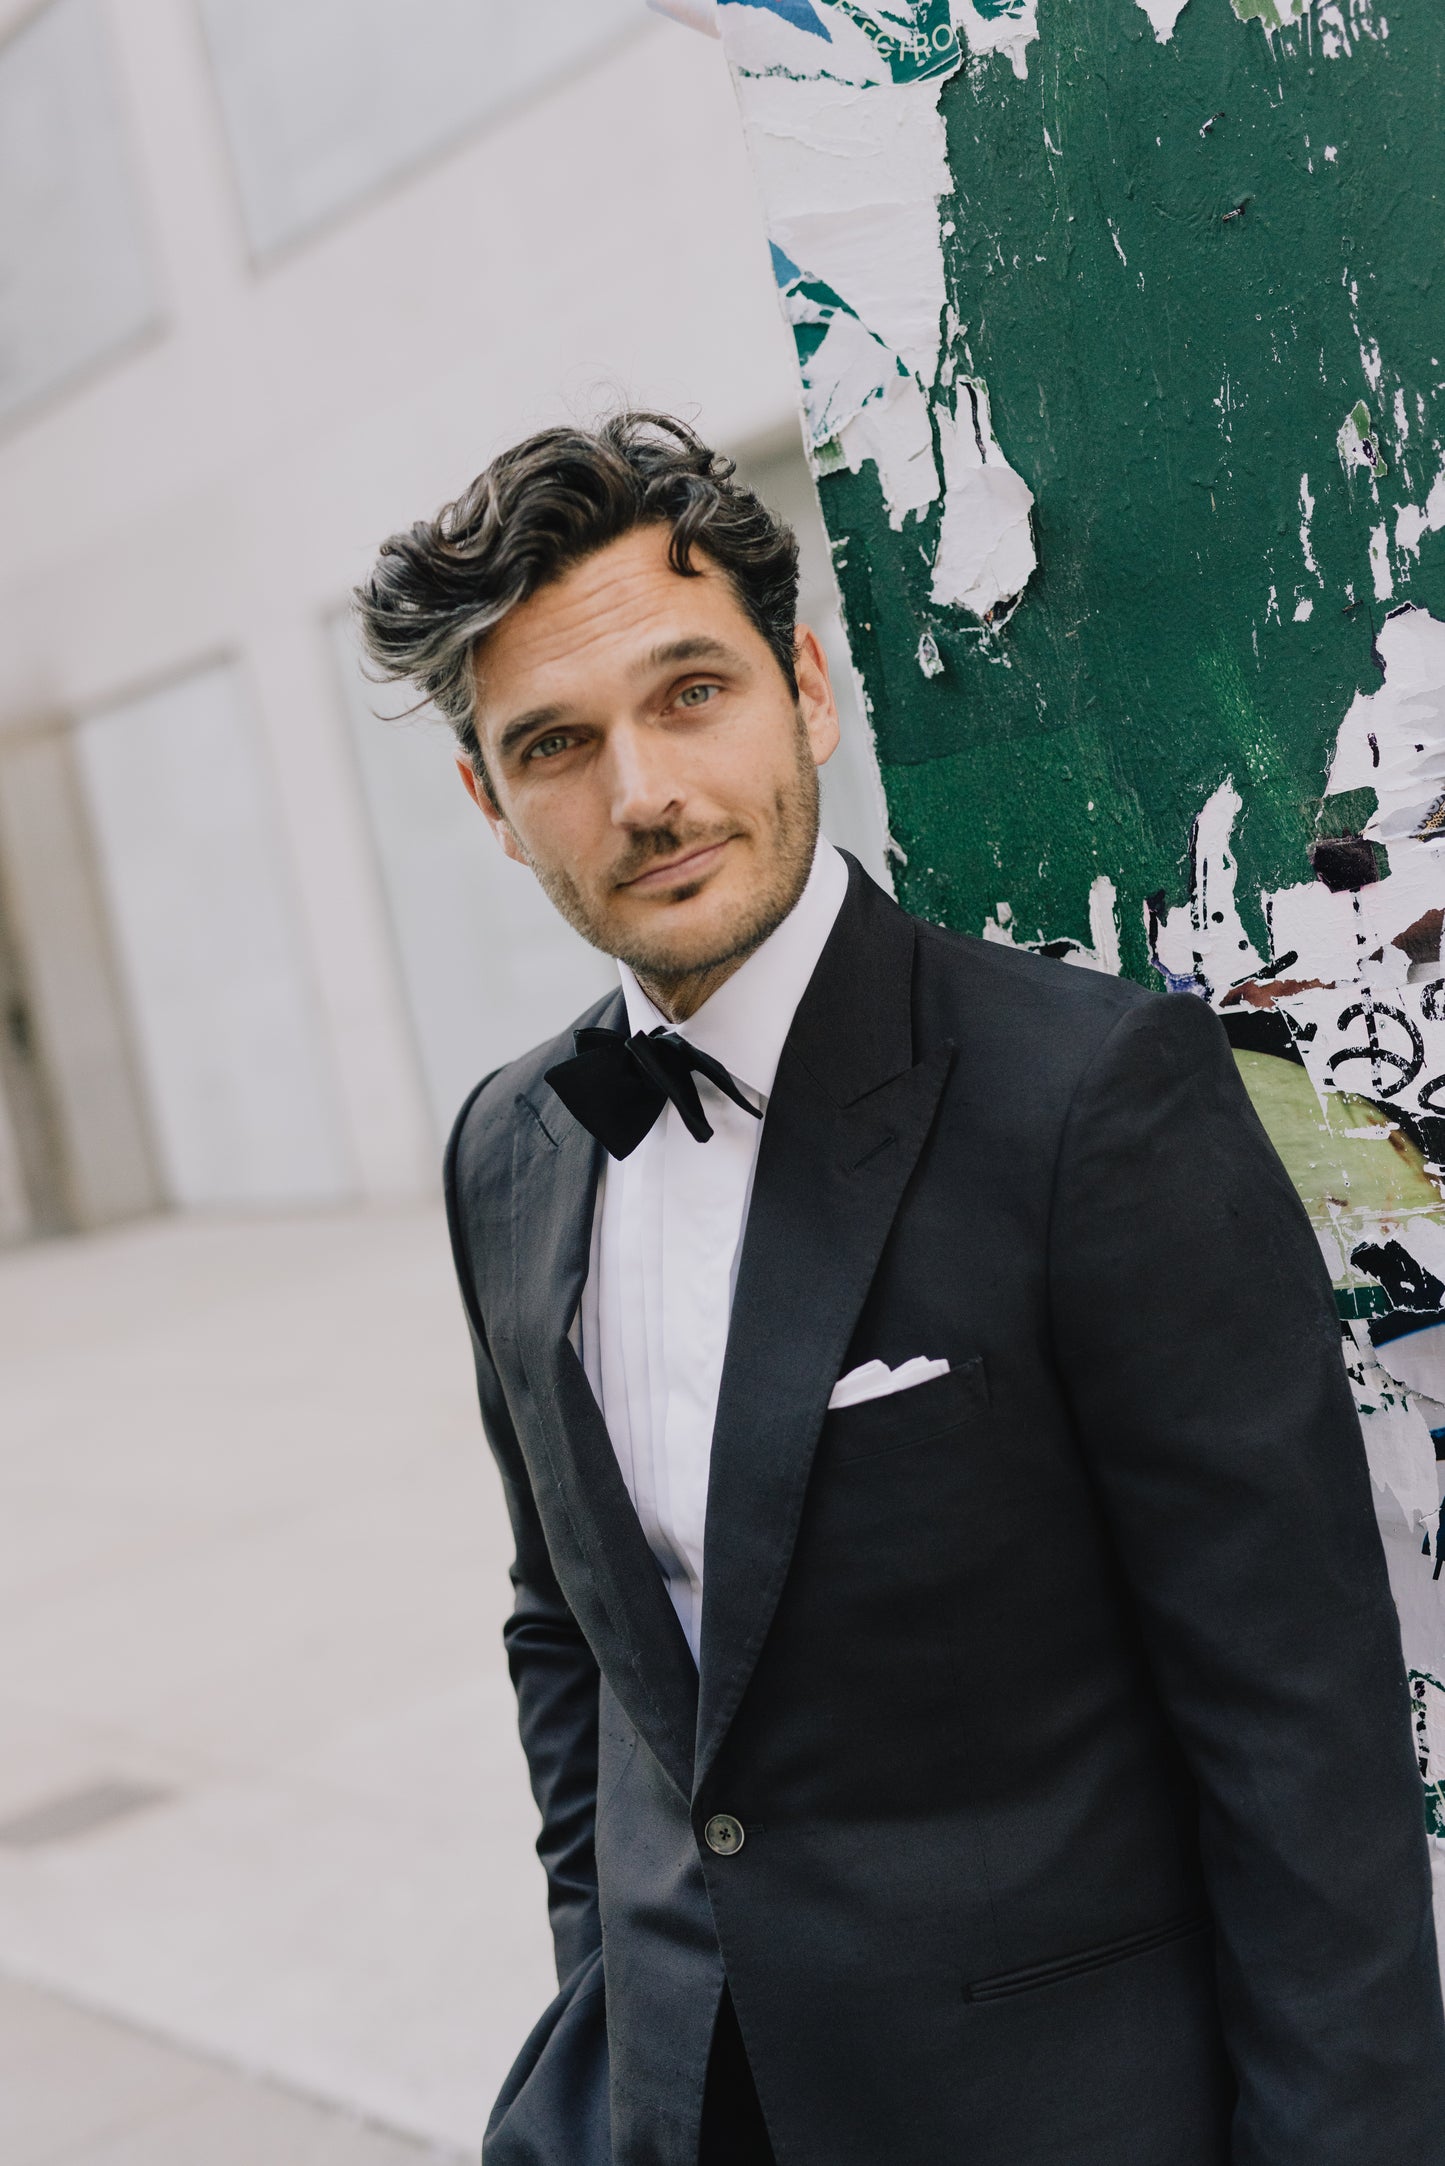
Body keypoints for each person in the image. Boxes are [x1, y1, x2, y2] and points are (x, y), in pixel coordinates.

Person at [355, 412, 1445, 2166]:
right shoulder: (511, 1148)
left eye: (689, 692)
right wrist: (607, 1997)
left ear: (805, 688)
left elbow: (1299, 1737)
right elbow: (567, 1627)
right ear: (490, 803)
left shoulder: (1090, 1100)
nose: (641, 793)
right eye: (554, 743)